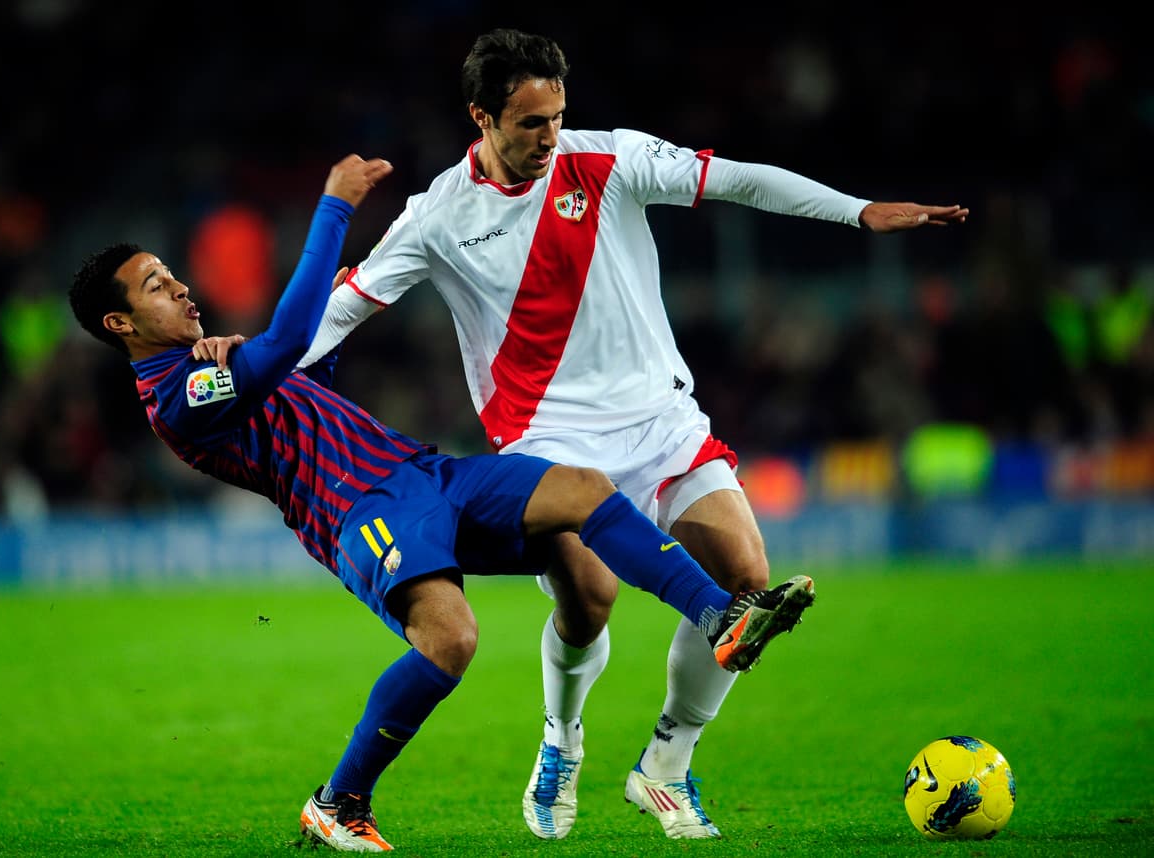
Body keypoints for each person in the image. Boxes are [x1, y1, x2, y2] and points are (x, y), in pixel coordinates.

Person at [294, 29, 968, 841]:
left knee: (749, 578)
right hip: (548, 442)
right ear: (481, 116)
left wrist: (856, 211)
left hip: (659, 420)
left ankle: (666, 768)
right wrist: (244, 370)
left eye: (558, 116)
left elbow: (737, 181)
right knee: (590, 601)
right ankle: (562, 739)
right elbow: (341, 310)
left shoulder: (608, 160)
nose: (551, 137)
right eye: (530, 122)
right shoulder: (439, 214)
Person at [67, 153, 815, 853]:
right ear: (120, 325)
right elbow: (293, 336)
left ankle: (719, 617)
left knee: (585, 497)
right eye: (158, 286)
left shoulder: (218, 362)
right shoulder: (178, 394)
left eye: (172, 275)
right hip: (358, 512)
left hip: (425, 475)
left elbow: (316, 340)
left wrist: (405, 263)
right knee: (450, 640)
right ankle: (338, 802)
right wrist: (333, 208)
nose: (182, 287)